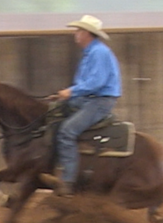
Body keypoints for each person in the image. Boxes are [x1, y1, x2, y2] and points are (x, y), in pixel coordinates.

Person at [41, 14, 122, 197]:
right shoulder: (90, 53)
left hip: (100, 101)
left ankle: (68, 182)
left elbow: (96, 82)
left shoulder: (99, 53)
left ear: (87, 33)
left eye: (78, 31)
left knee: (67, 131)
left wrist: (70, 92)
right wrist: (66, 96)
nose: (75, 34)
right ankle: (54, 167)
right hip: (88, 99)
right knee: (52, 116)